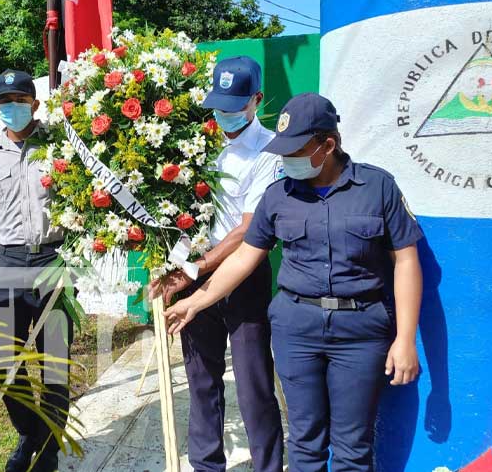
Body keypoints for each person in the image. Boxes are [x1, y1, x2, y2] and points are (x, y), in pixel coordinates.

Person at [164, 93, 423, 472]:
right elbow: (243, 259)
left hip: (360, 332)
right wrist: (195, 300)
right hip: (296, 331)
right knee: (304, 441)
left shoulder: (377, 188)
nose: (286, 160)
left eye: (295, 150)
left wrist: (405, 340)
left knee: (353, 447)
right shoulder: (278, 196)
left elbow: (406, 261)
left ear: (327, 145)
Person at [151, 56, 284, 472]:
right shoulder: (198, 146)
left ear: (256, 100)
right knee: (201, 379)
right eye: (219, 106)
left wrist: (197, 267)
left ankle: (268, 465)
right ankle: (208, 464)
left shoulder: (269, 153)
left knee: (253, 383)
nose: (224, 115)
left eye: (234, 105)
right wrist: (175, 262)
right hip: (192, 272)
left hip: (242, 276)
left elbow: (247, 229)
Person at [0, 69, 70, 472]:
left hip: (52, 261)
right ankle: (30, 433)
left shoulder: (60, 147)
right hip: (7, 263)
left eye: (19, 103)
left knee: (55, 360)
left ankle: (49, 450)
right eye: (4, 103)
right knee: (0, 357)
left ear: (35, 105)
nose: (11, 109)